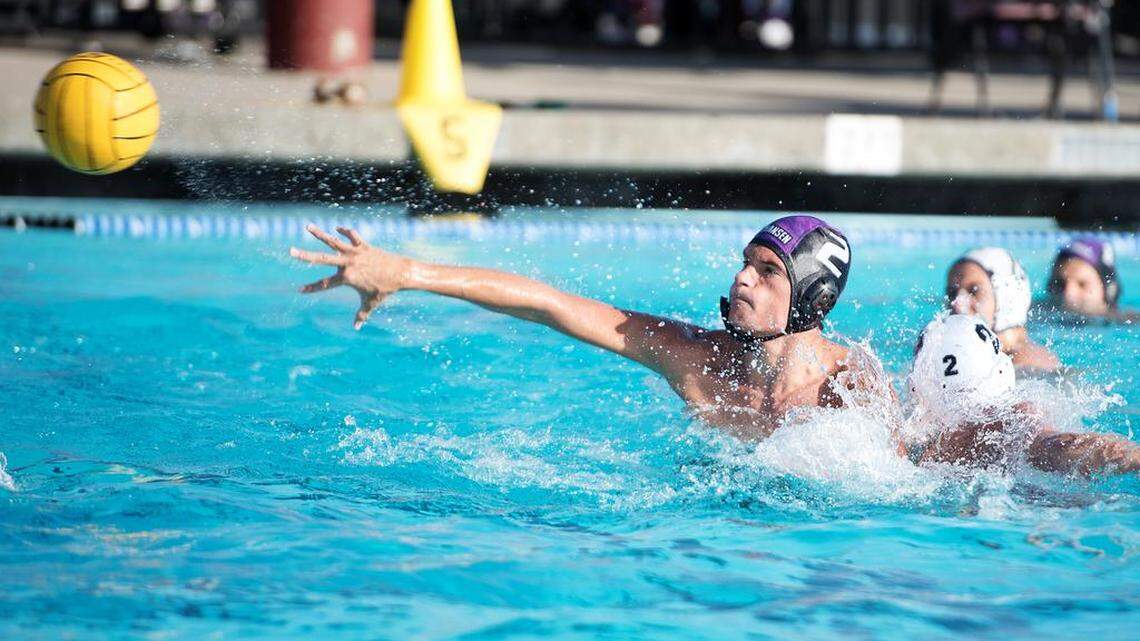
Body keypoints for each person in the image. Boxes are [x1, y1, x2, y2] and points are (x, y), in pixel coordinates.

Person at [289, 215, 895, 441]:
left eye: (767, 272)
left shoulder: (849, 387)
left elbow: (909, 483)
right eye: (745, 261)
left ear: (813, 298)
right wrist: (408, 271)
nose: (742, 279)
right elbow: (549, 305)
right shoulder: (696, 361)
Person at [907, 314, 1140, 476]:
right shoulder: (1009, 419)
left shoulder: (913, 436)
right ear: (1002, 370)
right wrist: (1131, 456)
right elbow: (1055, 445)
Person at [944, 247, 1060, 372]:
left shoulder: (1028, 362)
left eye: (974, 291)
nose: (957, 303)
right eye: (952, 293)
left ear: (1005, 296)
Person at [1046, 237, 1136, 322]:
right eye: (1060, 284)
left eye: (1082, 284)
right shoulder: (1037, 315)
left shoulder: (1130, 323)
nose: (1068, 294)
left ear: (1109, 290)